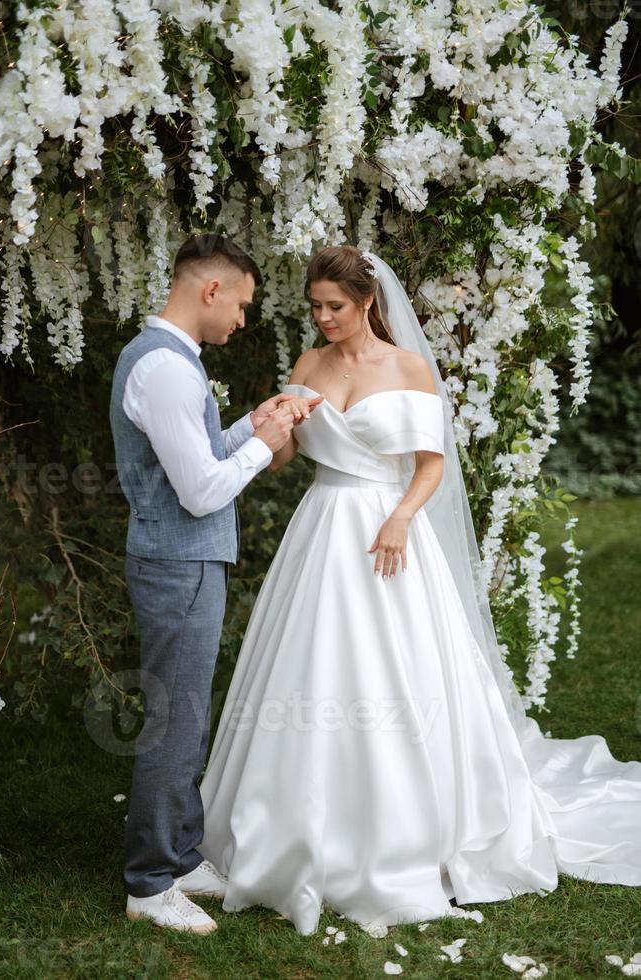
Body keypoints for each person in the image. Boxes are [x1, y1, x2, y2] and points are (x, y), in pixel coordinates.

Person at [196, 244, 641, 936]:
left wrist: (401, 515)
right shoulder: (308, 366)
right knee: (310, 669)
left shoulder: (406, 369)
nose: (322, 319)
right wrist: (272, 428)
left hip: (388, 533)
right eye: (314, 307)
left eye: (334, 307)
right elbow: (284, 460)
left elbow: (431, 465)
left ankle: (411, 835)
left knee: (400, 674)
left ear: (367, 302)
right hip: (321, 529)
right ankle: (288, 827)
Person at [109, 233, 322, 934]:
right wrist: (266, 443)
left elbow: (195, 460)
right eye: (242, 303)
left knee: (187, 715)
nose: (241, 319)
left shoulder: (170, 361)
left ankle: (178, 855)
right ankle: (149, 884)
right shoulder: (167, 368)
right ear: (211, 290)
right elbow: (201, 492)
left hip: (182, 562)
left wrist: (251, 425)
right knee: (174, 724)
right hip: (179, 566)